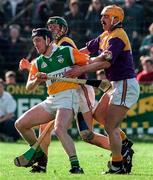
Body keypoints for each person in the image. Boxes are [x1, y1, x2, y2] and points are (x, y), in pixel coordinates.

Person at [20, 16, 111, 173]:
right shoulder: (38, 62)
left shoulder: (65, 47)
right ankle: (40, 157)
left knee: (76, 132)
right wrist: (35, 78)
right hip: (52, 99)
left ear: (48, 40)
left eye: (38, 41)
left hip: (72, 94)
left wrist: (104, 58)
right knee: (21, 124)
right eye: (34, 42)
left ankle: (78, 165)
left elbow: (88, 61)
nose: (35, 45)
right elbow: (29, 87)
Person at [65, 5, 140, 174]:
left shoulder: (118, 36)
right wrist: (66, 57)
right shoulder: (105, 35)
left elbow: (106, 62)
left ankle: (117, 165)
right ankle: (125, 145)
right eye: (102, 16)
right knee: (98, 116)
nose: (102, 19)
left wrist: (81, 68)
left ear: (115, 19)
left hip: (124, 84)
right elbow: (83, 52)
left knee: (110, 127)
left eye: (106, 16)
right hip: (116, 85)